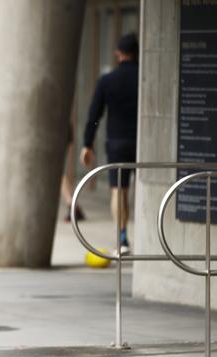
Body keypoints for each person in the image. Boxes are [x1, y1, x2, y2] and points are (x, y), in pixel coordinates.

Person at [80, 33, 139, 254]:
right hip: (141, 142)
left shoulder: (107, 80)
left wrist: (87, 143)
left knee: (118, 192)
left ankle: (122, 239)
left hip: (117, 142)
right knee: (136, 188)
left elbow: (95, 114)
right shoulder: (144, 77)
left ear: (117, 54)